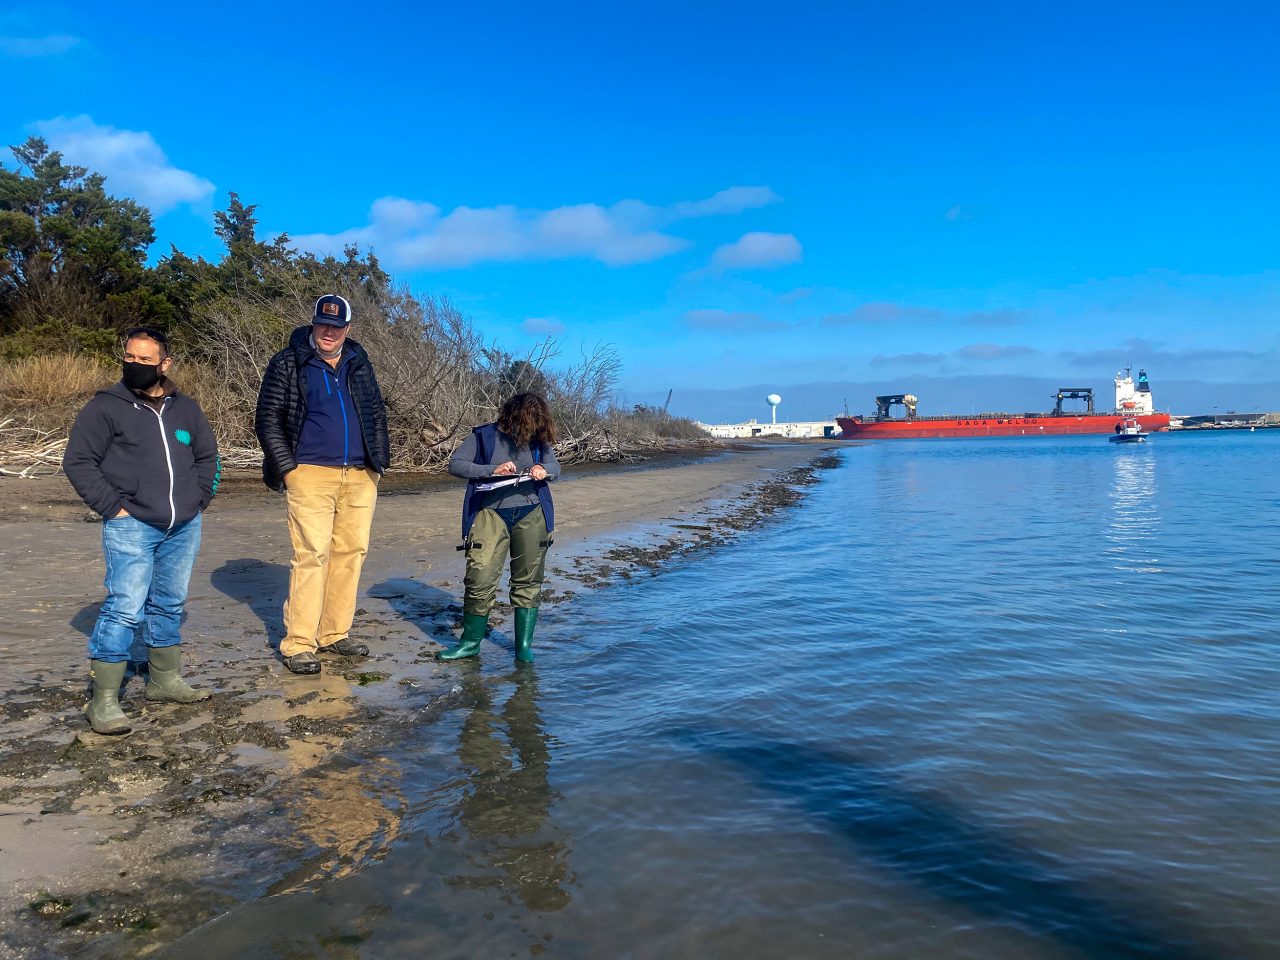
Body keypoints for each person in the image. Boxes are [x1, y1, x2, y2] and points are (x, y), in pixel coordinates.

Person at [63, 326, 220, 735]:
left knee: (169, 602)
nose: (134, 365)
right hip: (131, 524)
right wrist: (113, 509)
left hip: (183, 524)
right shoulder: (105, 407)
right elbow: (78, 461)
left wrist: (199, 499)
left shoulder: (186, 409)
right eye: (130, 357)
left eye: (145, 360)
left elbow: (207, 456)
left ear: (164, 364)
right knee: (124, 607)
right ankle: (105, 700)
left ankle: (165, 681)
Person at [255, 294, 390, 675]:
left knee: (351, 553)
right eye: (322, 324)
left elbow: (377, 413)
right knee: (311, 554)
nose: (328, 332)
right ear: (314, 324)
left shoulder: (359, 363)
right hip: (309, 473)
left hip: (361, 475)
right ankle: (299, 643)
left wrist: (379, 462)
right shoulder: (288, 362)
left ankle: (334, 634)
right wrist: (287, 468)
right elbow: (268, 418)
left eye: (336, 326)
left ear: (348, 329)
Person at [440, 393, 559, 663]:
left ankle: (523, 648)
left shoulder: (540, 439)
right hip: (489, 513)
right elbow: (456, 465)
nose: (532, 429)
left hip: (533, 513)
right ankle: (469, 643)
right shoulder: (483, 436)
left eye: (538, 423)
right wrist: (492, 470)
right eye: (529, 422)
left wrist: (544, 469)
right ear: (514, 416)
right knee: (480, 576)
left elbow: (556, 466)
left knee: (529, 581)